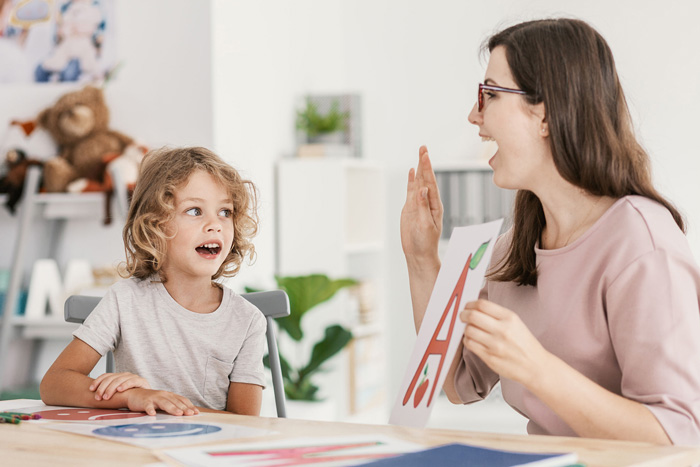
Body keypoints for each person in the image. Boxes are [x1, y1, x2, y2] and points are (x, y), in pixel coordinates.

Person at [401, 18, 700, 445]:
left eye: (489, 94)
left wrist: (538, 369)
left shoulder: (642, 245)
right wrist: (421, 260)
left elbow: (679, 436)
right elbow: (457, 382)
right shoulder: (514, 249)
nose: (474, 115)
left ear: (544, 113)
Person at [41, 146, 266, 416]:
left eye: (225, 212)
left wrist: (167, 406)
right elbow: (53, 384)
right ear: (154, 225)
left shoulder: (248, 320)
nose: (215, 224)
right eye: (195, 211)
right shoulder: (125, 300)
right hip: (138, 452)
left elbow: (245, 424)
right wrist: (130, 396)